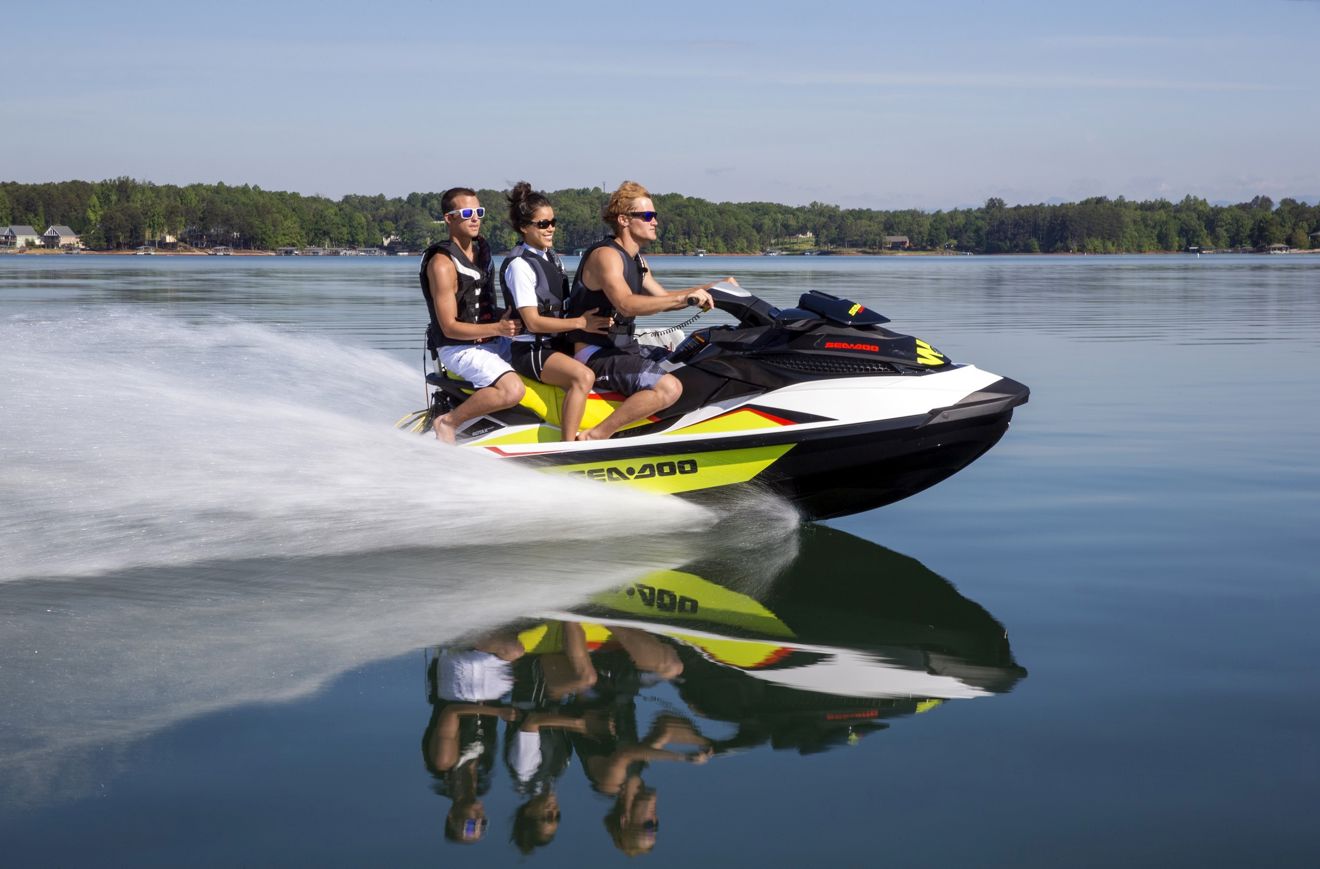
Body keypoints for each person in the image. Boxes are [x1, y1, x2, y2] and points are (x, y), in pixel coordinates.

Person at [564, 180, 737, 441]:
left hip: (623, 347)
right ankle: (596, 436)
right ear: (624, 220)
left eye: (654, 215)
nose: (654, 221)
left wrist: (714, 287)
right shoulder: (606, 256)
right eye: (647, 216)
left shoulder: (638, 261)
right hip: (595, 354)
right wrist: (687, 299)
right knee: (668, 388)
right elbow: (626, 303)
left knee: (690, 361)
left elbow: (663, 297)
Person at [499, 182, 612, 441]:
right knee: (582, 377)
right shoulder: (519, 266)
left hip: (557, 343)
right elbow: (533, 322)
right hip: (532, 349)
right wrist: (581, 323)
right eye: (543, 224)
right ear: (524, 227)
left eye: (553, 222)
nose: (550, 228)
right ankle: (568, 446)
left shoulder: (551, 257)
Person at [420, 187, 524, 444]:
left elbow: (480, 308)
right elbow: (449, 327)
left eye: (479, 211)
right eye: (467, 213)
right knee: (512, 390)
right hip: (459, 349)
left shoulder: (482, 253)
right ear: (449, 218)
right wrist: (499, 328)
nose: (475, 218)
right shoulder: (442, 263)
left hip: (492, 340)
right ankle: (449, 422)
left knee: (546, 357)